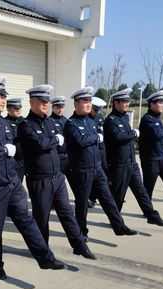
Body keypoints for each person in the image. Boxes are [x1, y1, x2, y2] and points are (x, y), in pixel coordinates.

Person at [0, 77, 65, 280]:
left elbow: (17, 150)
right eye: (0, 96)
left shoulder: (3, 123)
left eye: (4, 96)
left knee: (27, 221)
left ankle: (45, 258)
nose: (3, 101)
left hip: (12, 182)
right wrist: (2, 151)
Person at [18, 84, 96, 259]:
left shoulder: (51, 122)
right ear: (32, 102)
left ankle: (79, 245)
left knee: (67, 213)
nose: (46, 104)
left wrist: (53, 142)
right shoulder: (25, 125)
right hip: (40, 179)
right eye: (41, 101)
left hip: (57, 177)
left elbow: (60, 145)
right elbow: (40, 144)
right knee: (42, 218)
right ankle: (42, 250)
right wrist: (54, 139)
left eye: (47, 101)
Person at [64, 86, 138, 239]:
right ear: (76, 104)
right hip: (82, 170)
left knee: (108, 199)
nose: (88, 104)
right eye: (85, 101)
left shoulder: (91, 122)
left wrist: (103, 166)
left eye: (89, 101)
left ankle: (119, 226)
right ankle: (81, 233)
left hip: (97, 168)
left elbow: (97, 146)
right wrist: (96, 138)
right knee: (82, 203)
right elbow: (80, 141)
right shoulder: (71, 124)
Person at [103, 88, 163, 226]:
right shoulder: (110, 120)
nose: (127, 104)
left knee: (141, 191)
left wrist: (132, 134)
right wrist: (134, 134)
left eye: (128, 101)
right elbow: (118, 137)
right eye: (124, 101)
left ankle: (151, 215)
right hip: (119, 165)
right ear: (116, 103)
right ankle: (116, 220)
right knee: (118, 195)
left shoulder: (125, 118)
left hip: (132, 163)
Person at [88, 96, 108, 208]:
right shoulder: (87, 119)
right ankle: (90, 198)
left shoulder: (100, 118)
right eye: (96, 109)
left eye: (99, 110)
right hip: (92, 151)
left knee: (103, 175)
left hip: (101, 150)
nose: (97, 112)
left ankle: (94, 197)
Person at [50, 96, 71, 180]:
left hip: (68, 156)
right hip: (57, 157)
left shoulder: (66, 120)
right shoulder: (49, 121)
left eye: (62, 107)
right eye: (58, 107)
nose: (60, 109)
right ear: (53, 107)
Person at [5, 98, 25, 182]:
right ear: (8, 109)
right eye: (16, 108)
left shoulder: (25, 121)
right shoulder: (3, 123)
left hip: (24, 160)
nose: (19, 110)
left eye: (19, 108)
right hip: (11, 161)